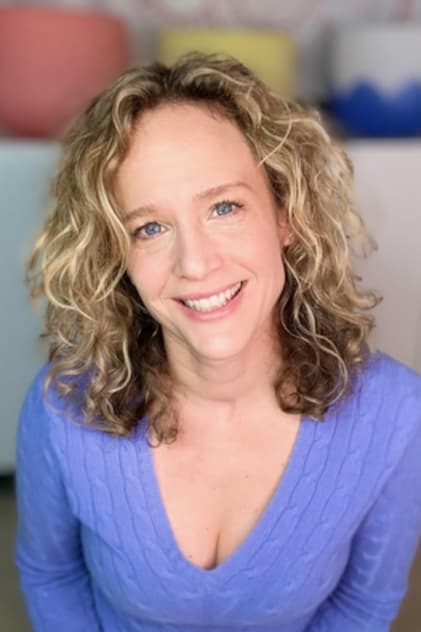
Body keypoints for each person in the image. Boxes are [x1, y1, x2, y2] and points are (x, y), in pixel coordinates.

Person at [15, 52, 421, 632]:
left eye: (224, 207)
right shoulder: (62, 408)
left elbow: (364, 604)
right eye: (149, 227)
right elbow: (51, 574)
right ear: (115, 254)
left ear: (285, 214)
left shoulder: (396, 414)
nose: (196, 263)